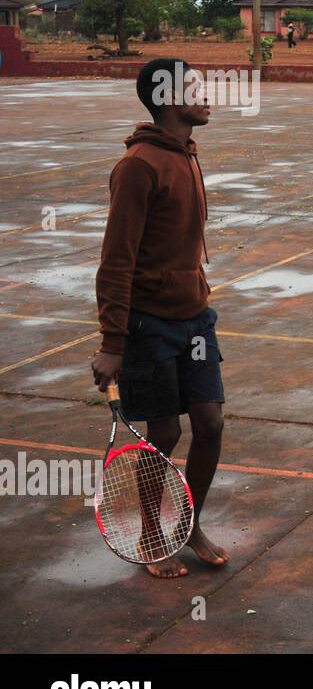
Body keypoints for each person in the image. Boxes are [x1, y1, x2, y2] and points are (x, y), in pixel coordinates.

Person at [90, 58, 229, 579]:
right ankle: (152, 529)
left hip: (196, 318)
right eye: (195, 87)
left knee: (211, 424)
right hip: (150, 325)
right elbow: (116, 259)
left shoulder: (187, 154)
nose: (207, 93)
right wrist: (113, 341)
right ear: (170, 99)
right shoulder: (138, 166)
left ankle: (190, 523)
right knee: (164, 434)